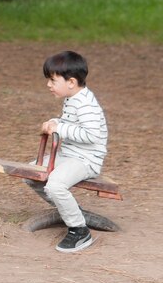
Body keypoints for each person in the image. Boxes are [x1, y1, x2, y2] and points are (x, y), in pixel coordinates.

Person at [27, 51, 108, 253]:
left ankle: (79, 231)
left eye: (53, 80)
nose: (48, 85)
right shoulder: (73, 98)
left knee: (55, 185)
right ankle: (72, 211)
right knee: (31, 174)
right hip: (70, 155)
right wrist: (56, 121)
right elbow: (70, 124)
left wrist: (60, 128)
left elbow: (92, 135)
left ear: (71, 82)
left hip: (86, 160)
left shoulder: (85, 103)